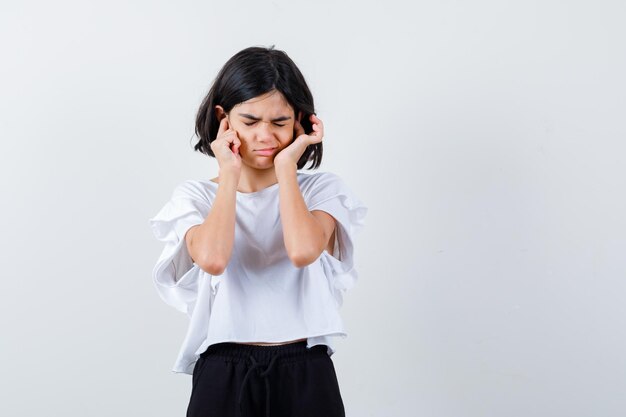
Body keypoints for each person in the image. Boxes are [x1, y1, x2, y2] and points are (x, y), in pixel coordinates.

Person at [148, 45, 368, 417]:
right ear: (224, 118)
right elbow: (214, 259)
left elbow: (302, 251)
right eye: (250, 122)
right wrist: (229, 173)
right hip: (223, 368)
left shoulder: (321, 190)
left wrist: (286, 169)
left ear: (299, 120)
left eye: (280, 123)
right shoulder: (196, 197)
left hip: (305, 366)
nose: (266, 135)